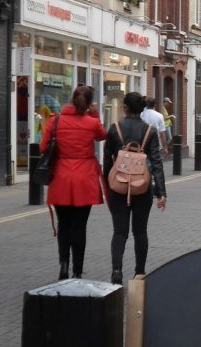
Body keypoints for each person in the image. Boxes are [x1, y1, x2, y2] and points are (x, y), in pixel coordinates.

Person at [40, 84, 106, 281]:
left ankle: (63, 265)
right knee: (79, 226)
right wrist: (95, 115)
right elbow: (102, 136)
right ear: (88, 104)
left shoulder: (56, 120)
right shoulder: (91, 122)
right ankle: (77, 270)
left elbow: (43, 147)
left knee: (64, 225)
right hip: (84, 180)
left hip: (60, 178)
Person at [103, 91, 166, 284]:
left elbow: (107, 162)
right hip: (142, 187)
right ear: (142, 109)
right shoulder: (150, 131)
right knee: (140, 232)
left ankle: (116, 270)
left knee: (119, 232)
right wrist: (161, 192)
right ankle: (139, 272)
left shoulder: (114, 129)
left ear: (125, 108)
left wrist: (108, 186)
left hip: (118, 187)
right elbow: (157, 163)